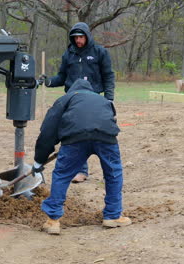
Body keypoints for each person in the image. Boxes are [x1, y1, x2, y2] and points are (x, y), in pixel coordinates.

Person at [32, 79, 131, 235]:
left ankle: (53, 221)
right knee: (113, 174)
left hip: (75, 139)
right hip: (106, 138)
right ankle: (112, 216)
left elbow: (48, 131)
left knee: (62, 175)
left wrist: (39, 160)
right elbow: (110, 119)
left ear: (72, 90)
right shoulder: (103, 99)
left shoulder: (65, 99)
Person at [39, 22, 115, 183]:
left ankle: (107, 171)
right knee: (75, 132)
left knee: (92, 133)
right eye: (75, 38)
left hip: (94, 98)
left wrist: (109, 98)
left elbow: (108, 76)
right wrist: (49, 81)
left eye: (81, 37)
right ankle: (80, 170)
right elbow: (62, 77)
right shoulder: (69, 55)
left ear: (87, 36)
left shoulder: (100, 52)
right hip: (72, 99)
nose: (78, 40)